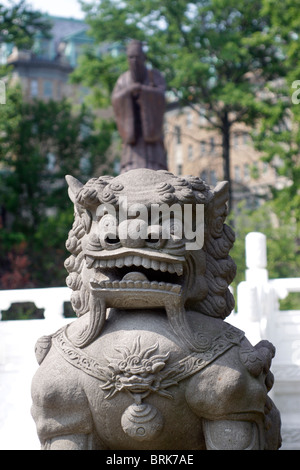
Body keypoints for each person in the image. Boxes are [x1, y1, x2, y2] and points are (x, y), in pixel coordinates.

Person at [112, 40, 167, 173]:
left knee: (156, 170)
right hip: (133, 140)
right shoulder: (123, 79)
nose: (134, 60)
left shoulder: (154, 76)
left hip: (152, 139)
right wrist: (128, 92)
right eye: (131, 57)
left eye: (137, 57)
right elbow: (115, 99)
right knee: (129, 170)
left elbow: (161, 95)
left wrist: (143, 91)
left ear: (144, 58)